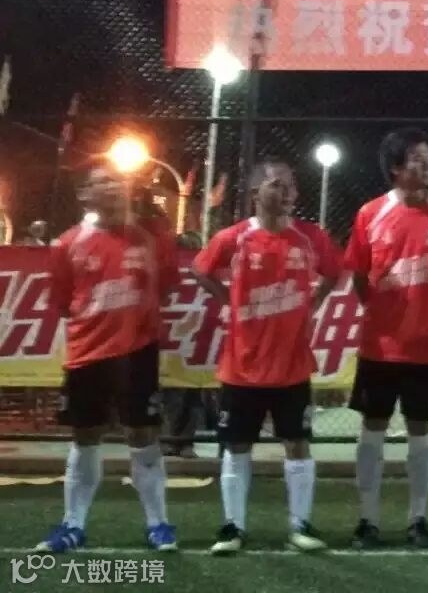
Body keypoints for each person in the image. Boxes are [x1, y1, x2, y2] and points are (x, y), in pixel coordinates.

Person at [192, 158, 340, 555]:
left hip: (292, 364)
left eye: (291, 185)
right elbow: (201, 270)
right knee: (238, 446)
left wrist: (313, 302)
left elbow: (334, 271)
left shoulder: (311, 237)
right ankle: (233, 527)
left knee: (297, 443)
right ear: (256, 193)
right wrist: (227, 299)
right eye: (278, 185)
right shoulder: (234, 237)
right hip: (243, 366)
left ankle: (300, 525)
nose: (288, 192)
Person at [36, 166, 180, 553]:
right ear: (84, 194)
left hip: (138, 352)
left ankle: (159, 524)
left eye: (118, 180)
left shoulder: (155, 236)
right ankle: (73, 525)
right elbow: (63, 302)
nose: (113, 186)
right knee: (85, 437)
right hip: (87, 354)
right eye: (102, 181)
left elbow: (167, 285)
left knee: (143, 435)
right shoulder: (67, 243)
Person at [345, 129, 428, 549]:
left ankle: (418, 518)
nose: (427, 165)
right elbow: (359, 276)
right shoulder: (371, 213)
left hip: (425, 347)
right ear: (396, 167)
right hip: (379, 347)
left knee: (421, 430)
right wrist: (381, 311)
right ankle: (368, 519)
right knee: (373, 429)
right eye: (417, 158)